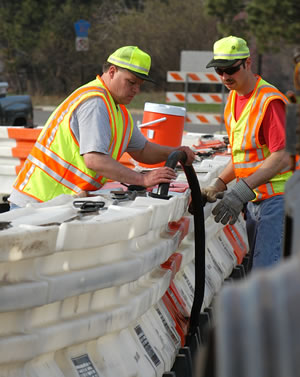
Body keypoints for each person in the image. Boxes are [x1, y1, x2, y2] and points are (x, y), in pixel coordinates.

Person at [9, 46, 195, 208]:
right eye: (131, 82)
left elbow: (143, 149)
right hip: (37, 202)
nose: (136, 90)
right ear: (112, 71)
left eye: (140, 85)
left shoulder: (118, 109)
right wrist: (142, 179)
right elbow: (95, 160)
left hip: (55, 203)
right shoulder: (95, 102)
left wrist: (174, 152)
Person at [202, 36, 292, 269]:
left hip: (279, 201)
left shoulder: (269, 101)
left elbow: (281, 156)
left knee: (266, 273)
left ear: (248, 63)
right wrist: (219, 185)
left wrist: (240, 191)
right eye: (219, 71)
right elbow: (243, 157)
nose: (225, 77)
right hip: (256, 201)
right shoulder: (233, 99)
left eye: (231, 69)